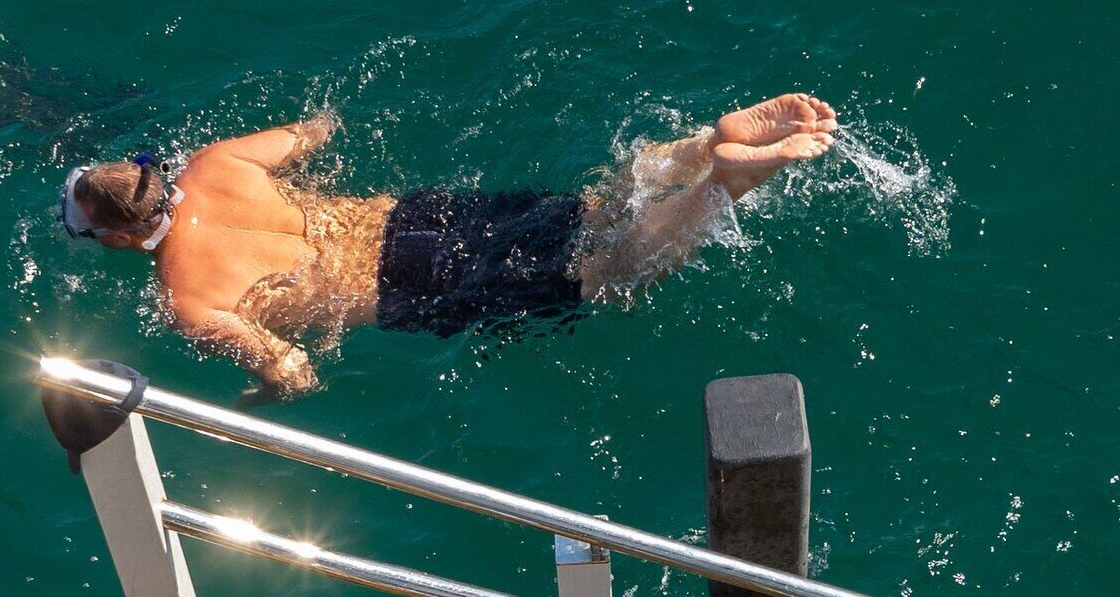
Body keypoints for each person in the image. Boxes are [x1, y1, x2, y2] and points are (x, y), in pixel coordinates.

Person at [51, 95, 840, 400]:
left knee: (610, 272)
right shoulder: (216, 161)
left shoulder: (187, 301)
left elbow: (294, 367)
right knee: (596, 210)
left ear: (120, 236)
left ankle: (724, 186)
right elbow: (318, 128)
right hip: (411, 217)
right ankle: (704, 145)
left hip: (414, 284)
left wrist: (264, 394)